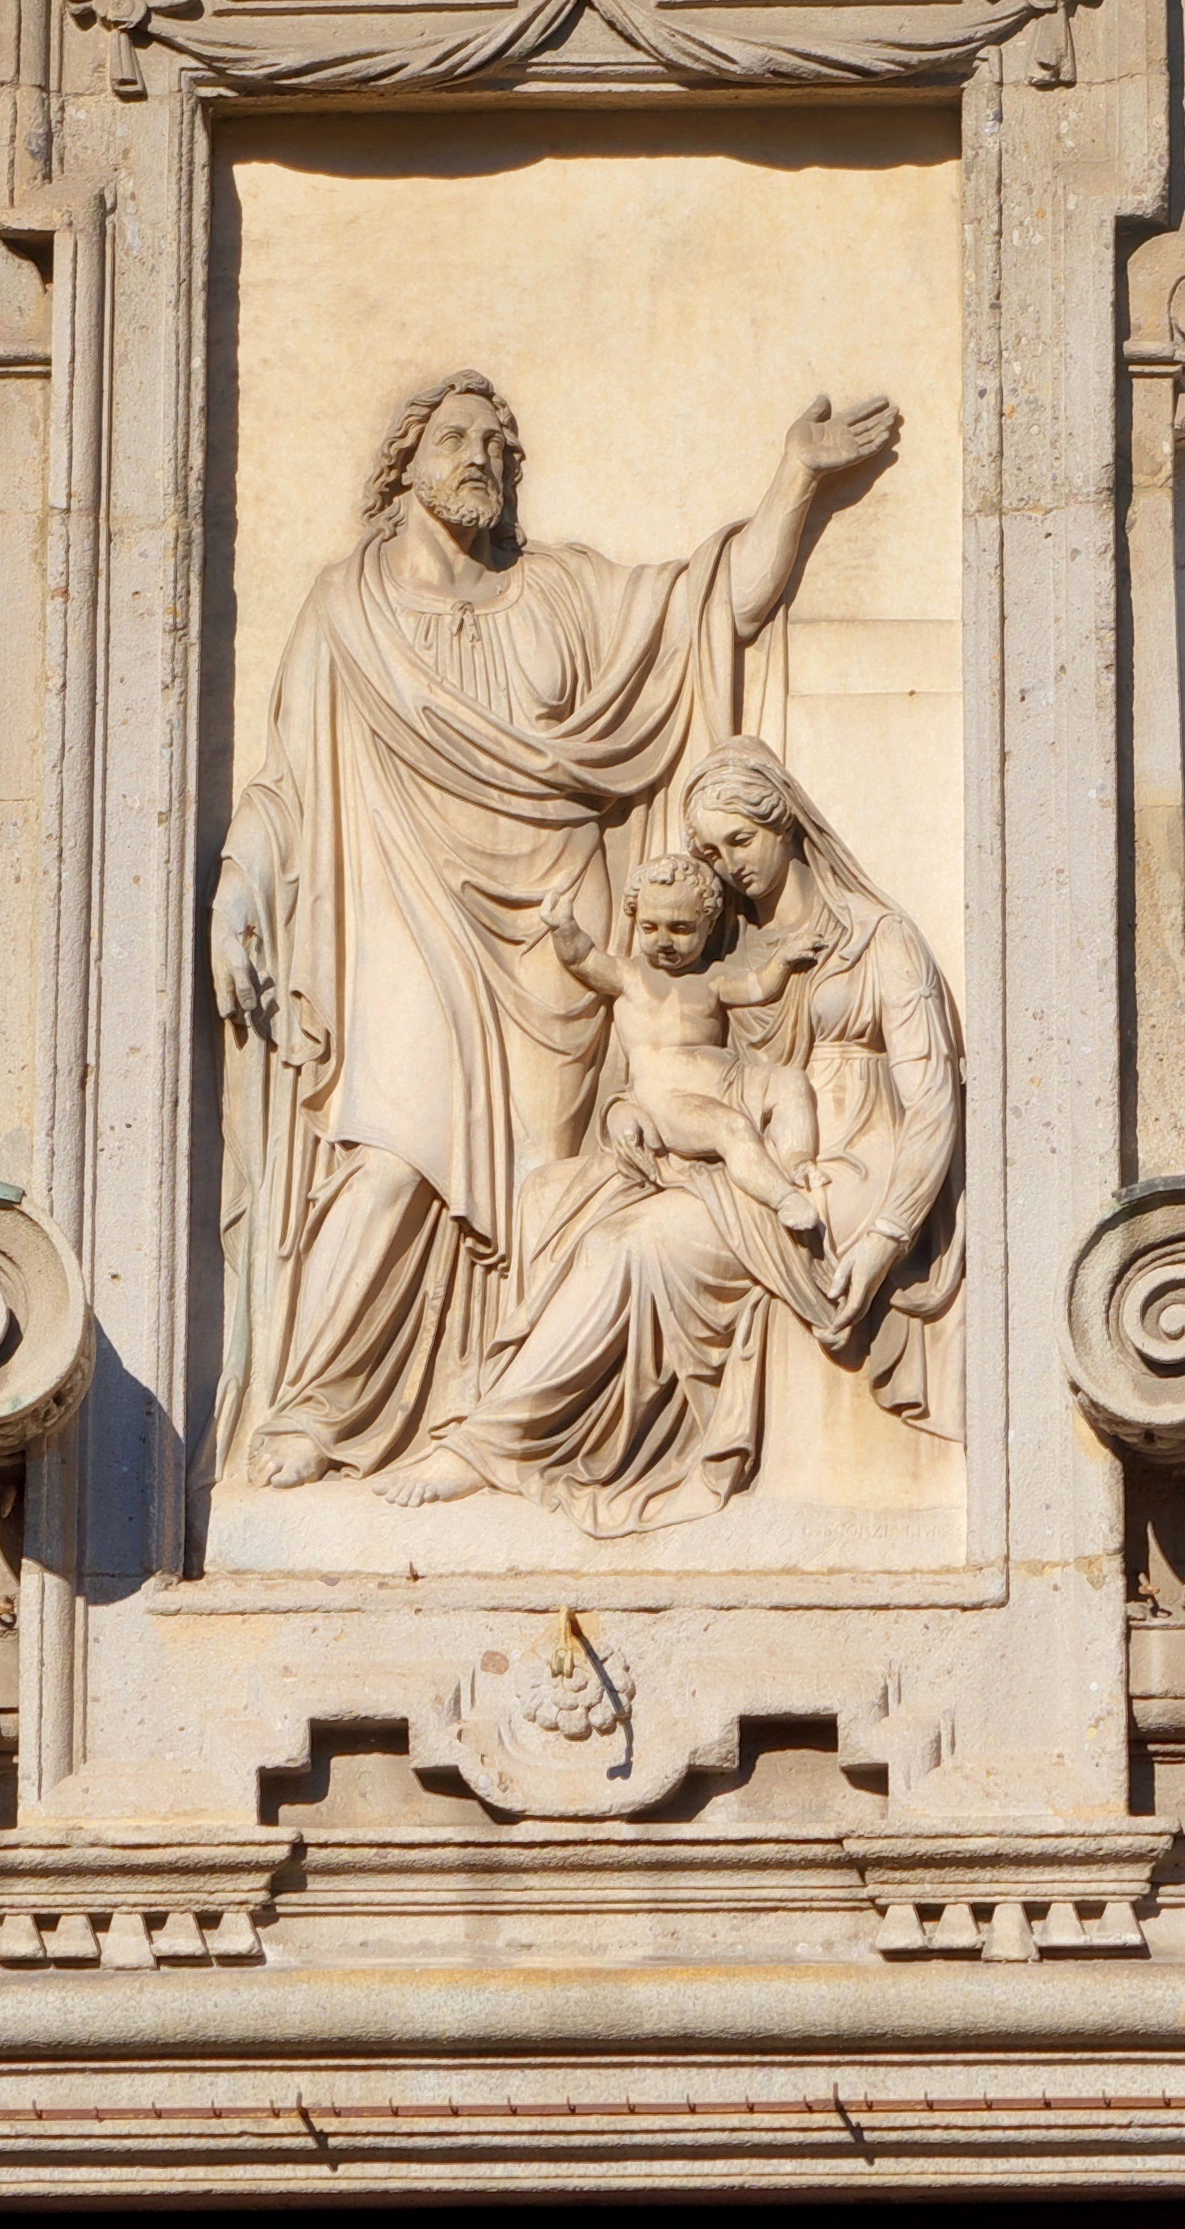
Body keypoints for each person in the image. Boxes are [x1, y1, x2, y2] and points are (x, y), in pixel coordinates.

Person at [213, 372, 897, 1484]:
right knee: (389, 1153)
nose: (482, 453)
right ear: (406, 462)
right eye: (457, 435)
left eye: (498, 439)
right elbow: (285, 781)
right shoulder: (346, 610)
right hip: (404, 904)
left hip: (556, 939)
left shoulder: (561, 593)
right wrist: (239, 888)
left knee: (548, 1180)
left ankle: (501, 1415)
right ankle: (315, 1405)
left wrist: (797, 479)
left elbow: (713, 608)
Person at [379, 736, 964, 1532]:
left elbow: (931, 1100)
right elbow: (671, 1058)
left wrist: (887, 1234)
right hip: (729, 1153)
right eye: (709, 848)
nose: (726, 862)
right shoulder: (717, 946)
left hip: (850, 1165)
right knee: (554, 1202)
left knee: (626, 1246)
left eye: (740, 840)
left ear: (785, 824)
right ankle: (513, 1419)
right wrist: (628, 1114)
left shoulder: (875, 937)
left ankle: (490, 1445)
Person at [509, 852, 827, 1230]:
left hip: (729, 1080)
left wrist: (784, 960)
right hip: (669, 1098)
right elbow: (583, 959)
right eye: (650, 928)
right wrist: (563, 926)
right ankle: (784, 1199)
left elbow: (758, 987)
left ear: (708, 925)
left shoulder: (713, 977)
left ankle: (797, 1161)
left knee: (790, 1081)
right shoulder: (628, 976)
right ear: (636, 922)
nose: (663, 941)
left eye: (680, 928)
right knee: (733, 1129)